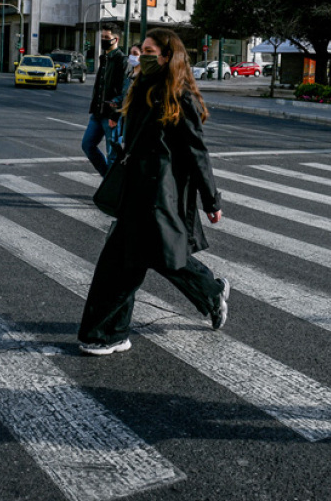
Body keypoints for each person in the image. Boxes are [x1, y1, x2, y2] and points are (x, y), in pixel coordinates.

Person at [77, 28, 230, 356]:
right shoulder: (142, 85)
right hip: (136, 188)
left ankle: (106, 333)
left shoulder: (180, 95)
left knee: (129, 263)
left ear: (166, 57)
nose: (141, 56)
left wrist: (211, 200)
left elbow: (196, 151)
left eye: (148, 51)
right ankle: (209, 293)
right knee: (154, 257)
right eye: (141, 50)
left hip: (158, 193)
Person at [81, 24, 128, 175]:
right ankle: (107, 181)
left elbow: (125, 91)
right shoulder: (104, 58)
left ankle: (111, 190)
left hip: (111, 115)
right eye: (102, 37)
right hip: (97, 113)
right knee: (87, 145)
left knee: (113, 155)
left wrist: (115, 114)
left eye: (106, 38)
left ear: (116, 39)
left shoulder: (122, 60)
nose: (103, 40)